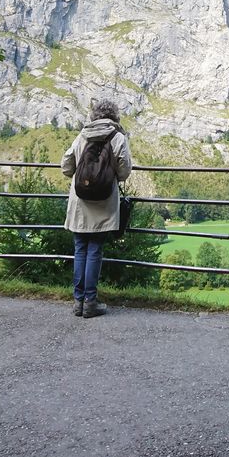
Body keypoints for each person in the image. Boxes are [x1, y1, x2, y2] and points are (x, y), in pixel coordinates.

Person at [61, 99, 132, 318]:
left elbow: (66, 165)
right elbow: (124, 170)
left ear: (94, 115)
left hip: (80, 200)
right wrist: (108, 178)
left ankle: (78, 301)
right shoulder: (118, 137)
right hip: (103, 200)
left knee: (80, 247)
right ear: (114, 116)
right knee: (95, 250)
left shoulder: (82, 135)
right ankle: (90, 301)